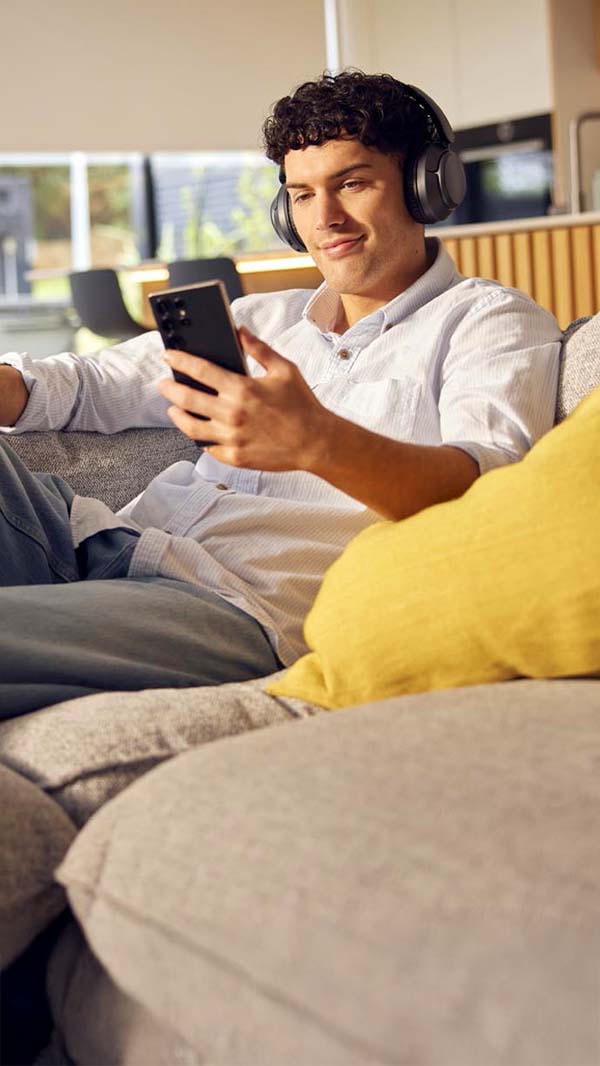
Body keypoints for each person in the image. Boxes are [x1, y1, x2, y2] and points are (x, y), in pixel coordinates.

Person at [0, 70, 561, 717]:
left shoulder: (489, 322)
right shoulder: (268, 320)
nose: (324, 219)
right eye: (301, 194)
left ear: (427, 185)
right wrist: (12, 386)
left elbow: (486, 496)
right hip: (98, 541)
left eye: (352, 183)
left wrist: (317, 442)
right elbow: (99, 383)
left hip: (231, 607)